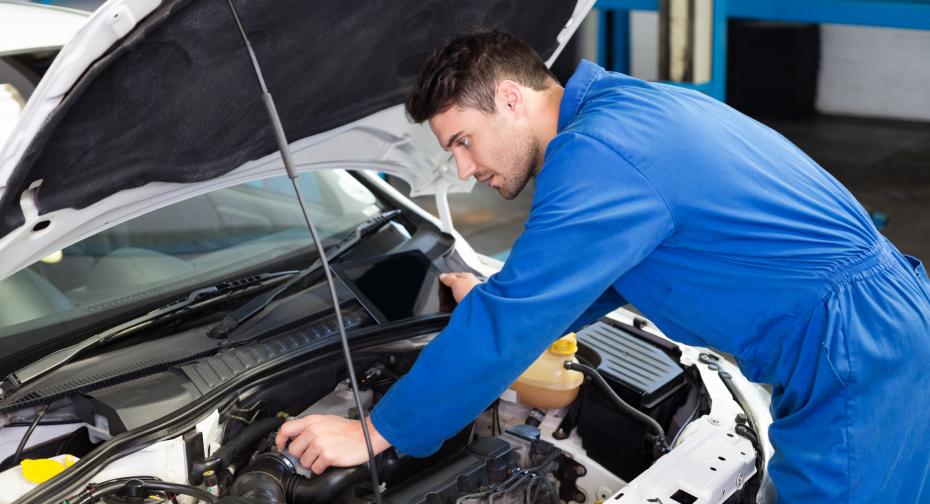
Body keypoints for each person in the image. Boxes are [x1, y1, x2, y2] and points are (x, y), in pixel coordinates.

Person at [274, 31, 930, 502]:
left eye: (462, 142)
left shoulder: (598, 154)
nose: (466, 170)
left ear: (509, 97)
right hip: (881, 326)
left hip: (854, 354)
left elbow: (520, 318)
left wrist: (377, 428)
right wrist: (495, 297)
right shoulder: (625, 111)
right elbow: (585, 280)